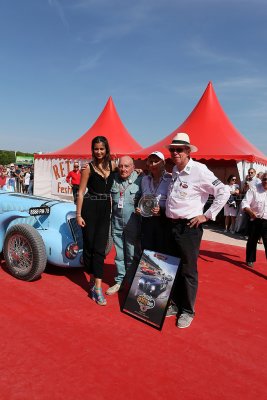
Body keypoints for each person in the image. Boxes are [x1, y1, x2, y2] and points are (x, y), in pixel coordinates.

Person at [165, 132, 230, 328]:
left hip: (189, 228)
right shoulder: (175, 170)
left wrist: (207, 215)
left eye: (179, 149)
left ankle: (187, 310)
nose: (175, 152)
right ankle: (175, 304)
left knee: (188, 270)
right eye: (172, 150)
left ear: (187, 151)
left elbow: (224, 191)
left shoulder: (200, 170)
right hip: (172, 226)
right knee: (173, 267)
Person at [76, 136, 117, 306]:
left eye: (102, 148)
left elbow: (132, 168)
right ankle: (91, 274)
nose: (99, 152)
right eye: (96, 149)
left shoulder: (114, 165)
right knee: (89, 246)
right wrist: (78, 214)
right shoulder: (88, 168)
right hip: (90, 207)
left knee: (100, 248)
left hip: (105, 207)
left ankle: (97, 288)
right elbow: (80, 192)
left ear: (107, 149)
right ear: (92, 150)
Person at [106, 156, 142, 295]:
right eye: (121, 166)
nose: (123, 169)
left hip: (133, 225)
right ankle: (120, 281)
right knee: (119, 255)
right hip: (116, 224)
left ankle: (131, 283)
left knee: (132, 254)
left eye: (127, 166)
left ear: (133, 167)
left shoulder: (141, 180)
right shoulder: (113, 179)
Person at [136, 151, 172, 254]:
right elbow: (141, 198)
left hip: (164, 222)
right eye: (151, 162)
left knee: (162, 252)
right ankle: (146, 270)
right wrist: (140, 209)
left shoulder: (171, 179)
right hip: (147, 221)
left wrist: (162, 210)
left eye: (156, 161)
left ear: (163, 163)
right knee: (147, 251)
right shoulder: (144, 180)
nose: (153, 164)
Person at [241, 172, 267, 267]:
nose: (265, 181)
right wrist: (250, 212)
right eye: (264, 179)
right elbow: (244, 203)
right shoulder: (254, 188)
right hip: (255, 219)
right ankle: (250, 259)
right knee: (252, 240)